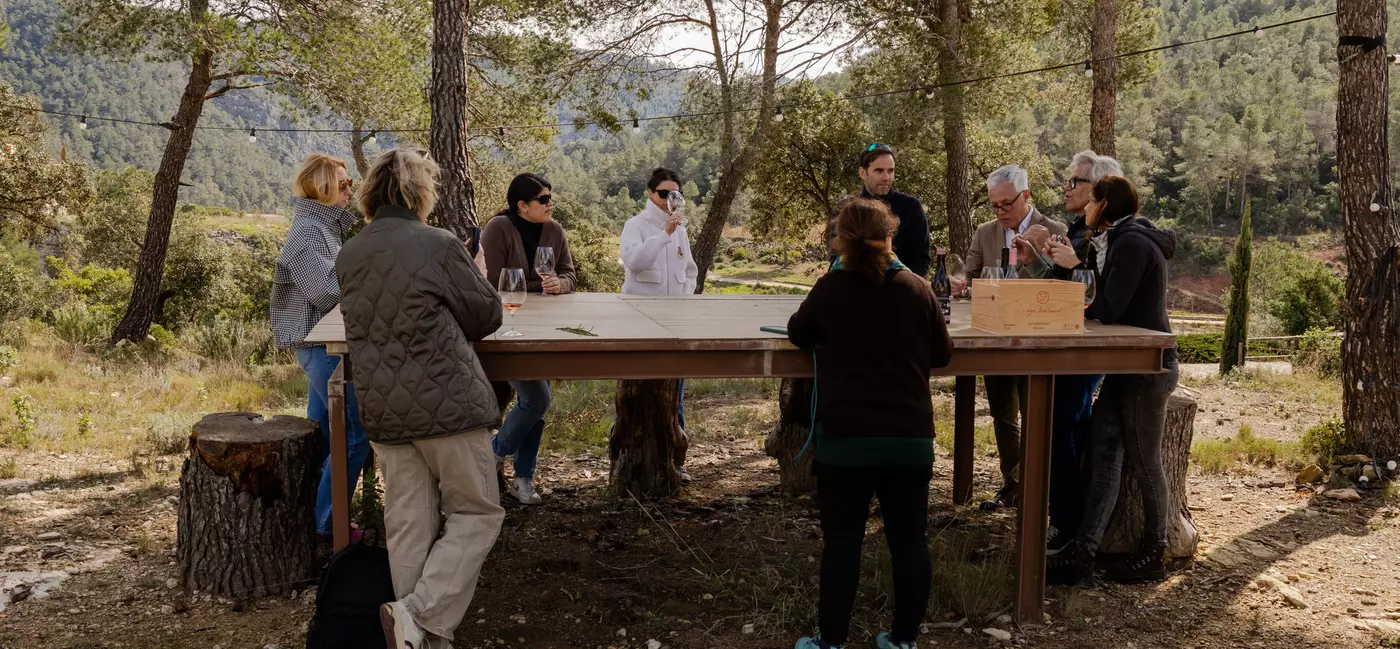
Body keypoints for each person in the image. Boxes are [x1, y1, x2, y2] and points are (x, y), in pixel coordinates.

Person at [335, 148, 505, 649]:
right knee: (476, 513)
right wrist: (473, 269)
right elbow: (485, 317)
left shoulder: (351, 252)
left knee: (409, 524)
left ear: (370, 195)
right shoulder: (436, 243)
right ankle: (419, 615)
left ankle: (419, 640)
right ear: (420, 193)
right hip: (446, 403)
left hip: (384, 409)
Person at [790, 198, 954, 649]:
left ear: (840, 240)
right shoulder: (918, 288)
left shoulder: (829, 287)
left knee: (842, 543)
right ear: (890, 237)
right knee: (909, 540)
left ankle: (832, 642)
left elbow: (798, 333)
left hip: (845, 442)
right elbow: (942, 355)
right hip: (909, 440)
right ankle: (902, 640)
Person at [1044, 175, 1180, 585]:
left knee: (1144, 461)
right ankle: (1084, 550)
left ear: (1104, 205)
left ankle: (1153, 553)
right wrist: (1080, 263)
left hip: (1149, 368)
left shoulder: (1133, 243)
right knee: (1105, 453)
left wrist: (1075, 265)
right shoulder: (1118, 240)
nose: (1083, 207)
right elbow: (1103, 299)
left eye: (1091, 201)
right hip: (1126, 364)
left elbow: (1108, 307)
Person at [952, 165, 1066, 512]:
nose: (1000, 213)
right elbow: (970, 276)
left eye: (1006, 205)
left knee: (1037, 413)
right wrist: (961, 285)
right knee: (1003, 415)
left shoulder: (1055, 230)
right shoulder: (985, 233)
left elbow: (1062, 288)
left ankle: (1041, 487)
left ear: (1026, 196)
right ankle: (1014, 484)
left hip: (1037, 339)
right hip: (994, 336)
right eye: (994, 206)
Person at [269, 153, 369, 542]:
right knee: (355, 434)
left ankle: (312, 517)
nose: (350, 190)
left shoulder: (323, 228)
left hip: (323, 344)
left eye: (349, 183)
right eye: (343, 184)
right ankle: (327, 525)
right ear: (323, 188)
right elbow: (327, 292)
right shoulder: (310, 232)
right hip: (319, 347)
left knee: (327, 436)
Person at [1041, 150, 1124, 552]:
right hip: (1069, 338)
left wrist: (1071, 263)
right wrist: (1047, 260)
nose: (1069, 188)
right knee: (1068, 425)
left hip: (1088, 345)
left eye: (1076, 183)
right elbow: (1068, 283)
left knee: (1060, 422)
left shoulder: (1115, 234)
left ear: (1100, 191)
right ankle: (1070, 519)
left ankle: (1067, 524)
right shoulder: (1079, 226)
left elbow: (1099, 291)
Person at [481, 173, 577, 504]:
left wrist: (560, 285)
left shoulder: (555, 230)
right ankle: (493, 454)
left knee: (536, 404)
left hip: (546, 327)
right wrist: (540, 287)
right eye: (543, 200)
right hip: (508, 327)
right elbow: (496, 283)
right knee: (537, 400)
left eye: (551, 197)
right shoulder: (498, 228)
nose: (550, 204)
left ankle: (522, 479)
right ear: (522, 205)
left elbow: (568, 274)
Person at [620, 167, 698, 481]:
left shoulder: (681, 229)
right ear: (651, 194)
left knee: (674, 391)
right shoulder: (635, 225)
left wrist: (685, 298)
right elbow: (635, 261)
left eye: (675, 194)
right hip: (640, 322)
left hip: (675, 323)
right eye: (664, 193)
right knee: (636, 390)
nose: (670, 199)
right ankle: (630, 456)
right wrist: (664, 234)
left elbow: (690, 270)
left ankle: (675, 462)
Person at [827, 144, 931, 277]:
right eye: (879, 170)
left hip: (899, 291)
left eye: (890, 171)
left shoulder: (911, 207)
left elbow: (921, 259)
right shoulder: (846, 208)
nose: (886, 177)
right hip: (854, 291)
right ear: (863, 173)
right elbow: (836, 257)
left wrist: (908, 287)